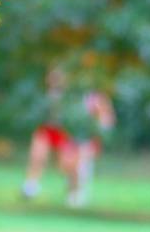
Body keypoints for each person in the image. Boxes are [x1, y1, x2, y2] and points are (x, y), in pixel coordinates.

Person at [21, 67, 115, 207]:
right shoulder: (54, 96)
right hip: (64, 135)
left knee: (71, 164)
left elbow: (107, 121)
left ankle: (75, 192)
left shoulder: (90, 97)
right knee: (44, 147)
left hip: (81, 138)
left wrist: (98, 128)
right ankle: (32, 184)